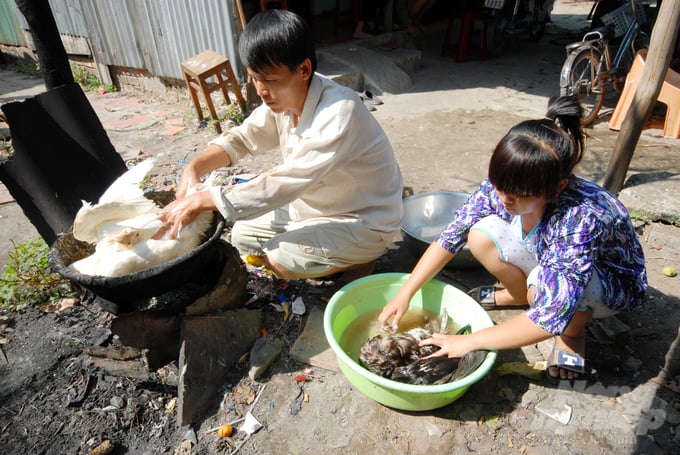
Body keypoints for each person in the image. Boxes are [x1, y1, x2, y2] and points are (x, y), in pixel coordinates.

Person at [378, 96, 648, 381]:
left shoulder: (580, 217)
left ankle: (573, 334)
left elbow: (550, 313)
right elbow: (452, 235)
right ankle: (518, 296)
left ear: (557, 188)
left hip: (610, 284)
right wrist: (405, 292)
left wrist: (468, 341)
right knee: (479, 235)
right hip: (550, 250)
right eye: (499, 186)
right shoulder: (509, 185)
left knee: (543, 289)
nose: (504, 199)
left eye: (518, 194)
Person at [157, 9, 404, 282]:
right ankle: (323, 245)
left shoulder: (339, 111)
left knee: (280, 260)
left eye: (271, 80)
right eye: (254, 77)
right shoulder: (282, 101)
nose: (261, 90)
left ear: (304, 69)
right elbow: (242, 138)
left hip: (362, 220)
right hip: (313, 206)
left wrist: (206, 198)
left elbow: (288, 181)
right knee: (242, 235)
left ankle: (360, 263)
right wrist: (195, 167)